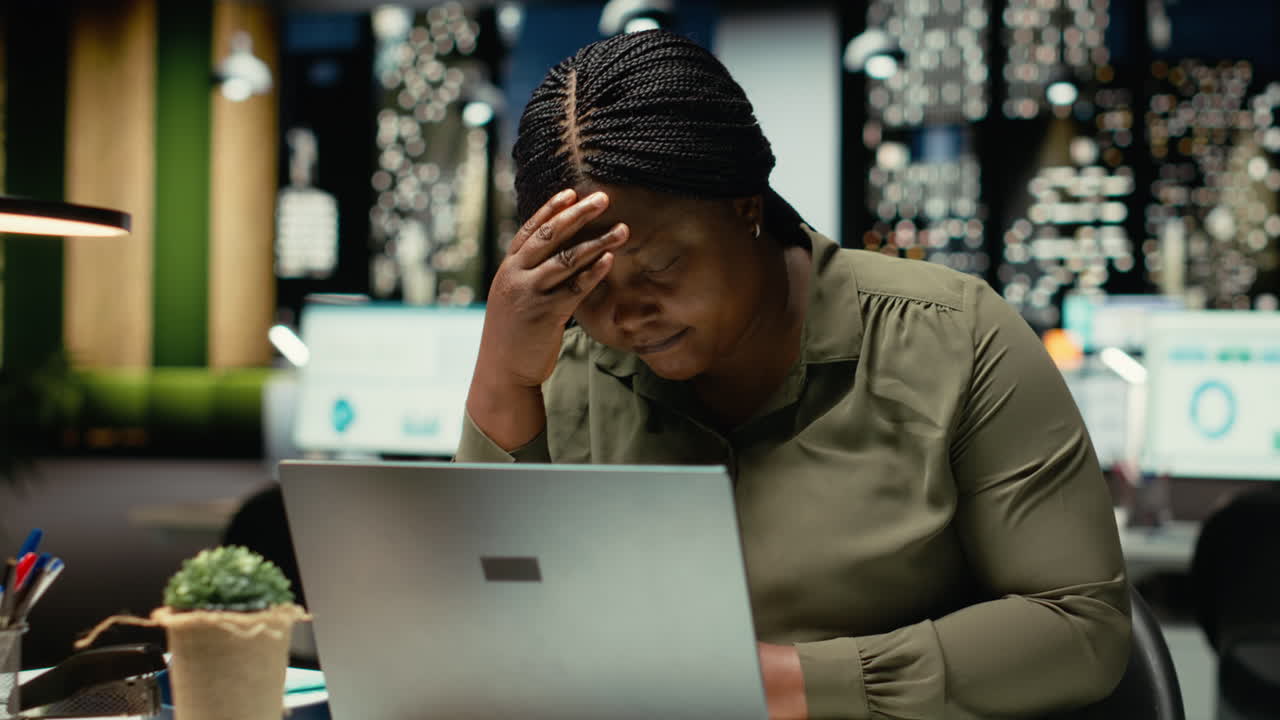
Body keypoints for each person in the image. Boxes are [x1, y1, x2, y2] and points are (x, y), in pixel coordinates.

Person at [456, 29, 1130, 719]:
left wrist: (782, 685)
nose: (625, 316)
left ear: (746, 207)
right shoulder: (562, 371)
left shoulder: (954, 339)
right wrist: (502, 376)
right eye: (590, 285)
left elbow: (1080, 628)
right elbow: (475, 643)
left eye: (660, 267)